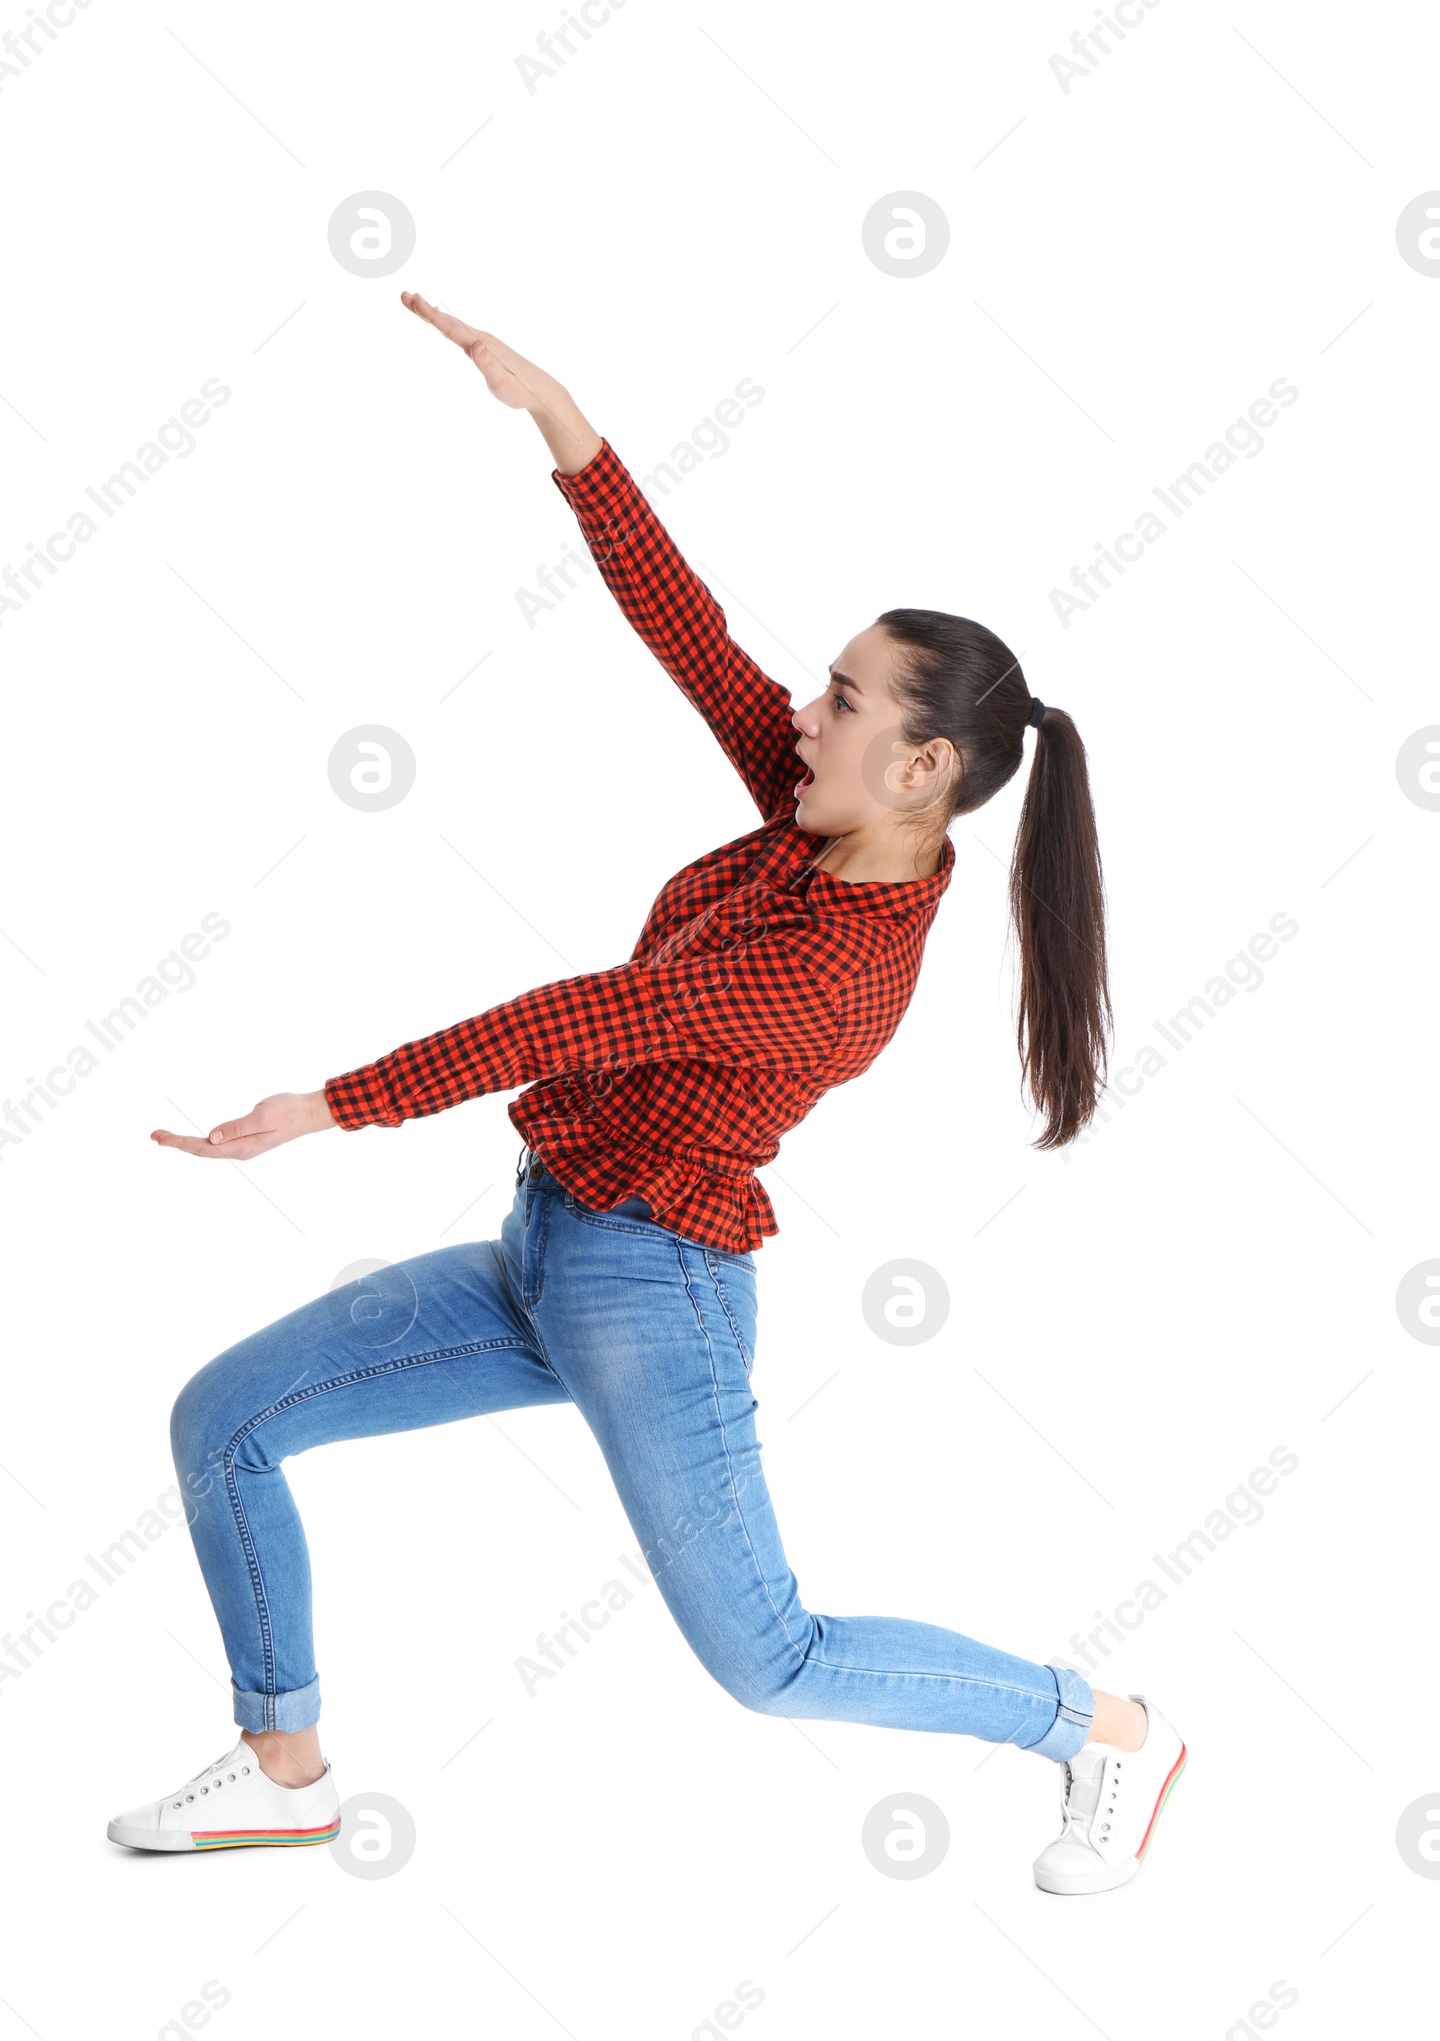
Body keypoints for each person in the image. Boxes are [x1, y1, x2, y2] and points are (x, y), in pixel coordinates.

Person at [106, 293, 1185, 1892]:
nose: (798, 714)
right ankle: (286, 1769)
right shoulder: (823, 819)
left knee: (772, 1662)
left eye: (838, 701)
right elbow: (688, 634)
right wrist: (562, 422)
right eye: (817, 690)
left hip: (652, 1288)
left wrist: (325, 1107)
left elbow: (580, 1014)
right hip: (550, 1249)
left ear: (921, 769)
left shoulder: (836, 956)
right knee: (227, 1419)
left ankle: (1103, 1731)